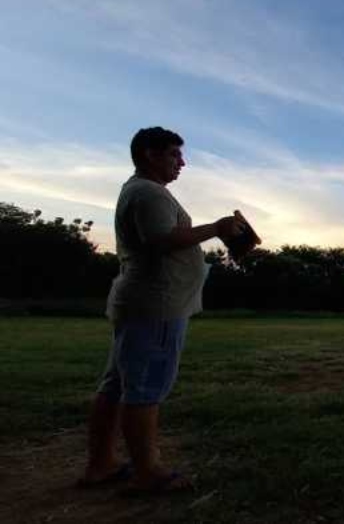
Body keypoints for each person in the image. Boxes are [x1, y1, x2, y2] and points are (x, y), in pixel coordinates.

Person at [79, 126, 246, 494]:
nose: (181, 162)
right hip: (156, 303)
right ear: (150, 154)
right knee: (145, 388)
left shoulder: (140, 190)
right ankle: (146, 472)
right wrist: (216, 228)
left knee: (117, 385)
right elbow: (161, 241)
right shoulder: (149, 193)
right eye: (174, 154)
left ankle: (101, 464)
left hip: (143, 301)